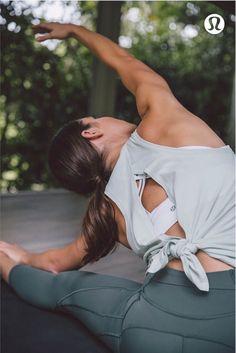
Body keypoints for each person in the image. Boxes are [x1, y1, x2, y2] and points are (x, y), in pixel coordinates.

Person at [0, 22, 235, 353]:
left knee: (64, 288)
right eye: (97, 116)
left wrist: (24, 255)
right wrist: (75, 31)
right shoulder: (165, 121)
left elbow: (56, 263)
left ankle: (2, 258)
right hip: (231, 320)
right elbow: (125, 63)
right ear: (91, 132)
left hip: (151, 329)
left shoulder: (107, 211)